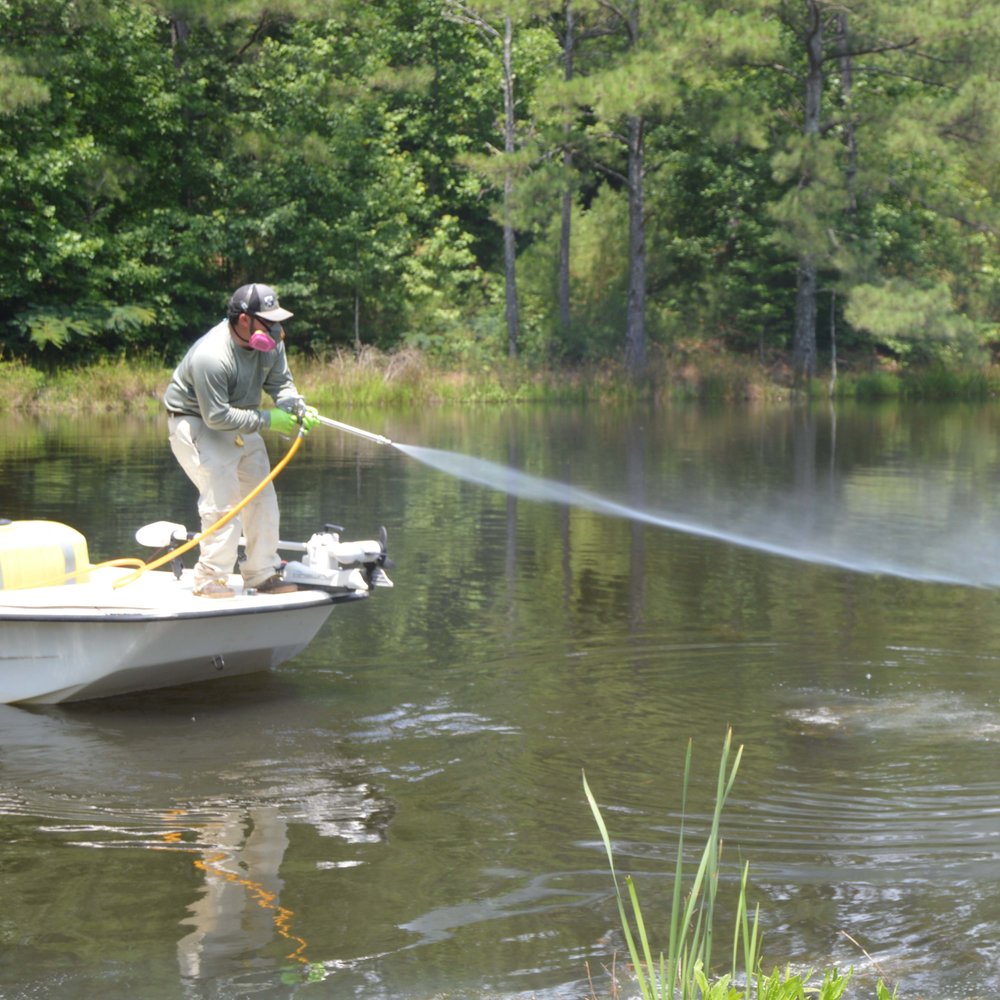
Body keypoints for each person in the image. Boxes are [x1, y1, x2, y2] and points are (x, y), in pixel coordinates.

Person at [163, 282, 319, 598]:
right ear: (244, 319)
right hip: (197, 422)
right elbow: (216, 418)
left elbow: (282, 385)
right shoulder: (212, 356)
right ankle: (210, 579)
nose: (276, 329)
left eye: (278, 321)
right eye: (268, 321)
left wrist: (295, 405)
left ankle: (262, 574)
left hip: (242, 420)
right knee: (224, 501)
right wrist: (267, 419)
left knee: (262, 499)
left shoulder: (271, 344)